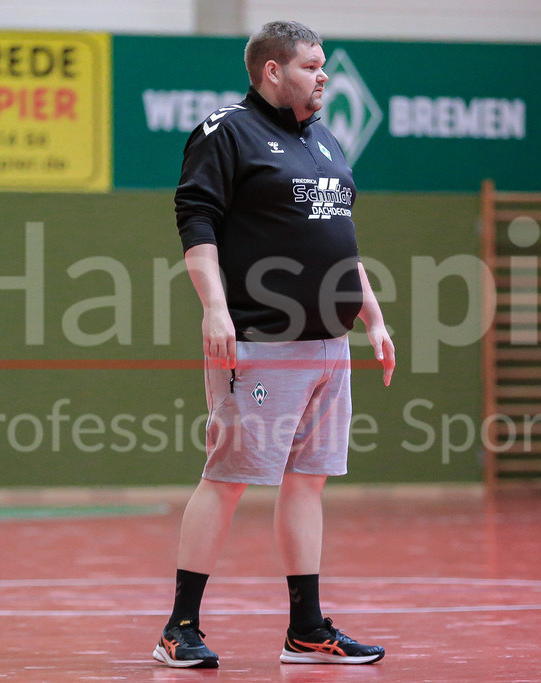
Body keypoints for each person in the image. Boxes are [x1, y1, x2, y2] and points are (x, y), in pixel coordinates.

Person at [152, 20, 396, 669]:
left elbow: (340, 238)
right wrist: (213, 308)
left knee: (307, 481)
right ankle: (178, 626)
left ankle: (307, 629)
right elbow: (195, 217)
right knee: (228, 479)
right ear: (272, 72)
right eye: (313, 66)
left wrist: (372, 316)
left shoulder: (326, 141)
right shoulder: (225, 132)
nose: (324, 76)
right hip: (260, 341)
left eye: (324, 66)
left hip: (328, 345)